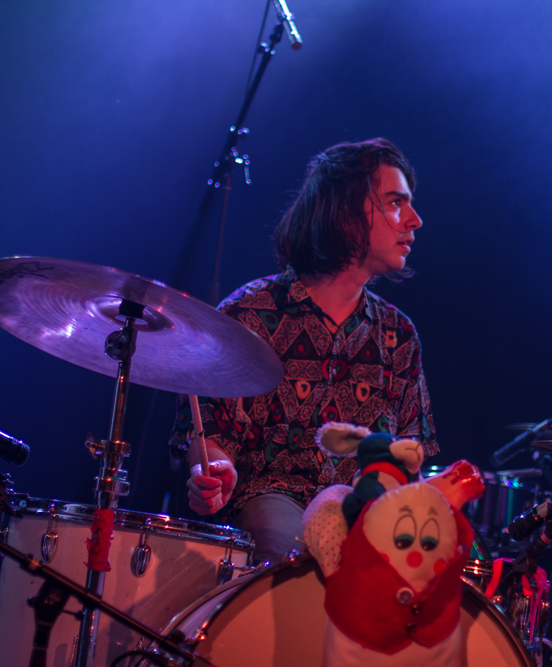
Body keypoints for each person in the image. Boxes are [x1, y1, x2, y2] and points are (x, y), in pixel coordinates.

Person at [169, 138, 438, 563]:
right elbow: (210, 433)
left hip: (363, 513)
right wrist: (214, 472)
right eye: (394, 203)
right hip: (269, 502)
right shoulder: (248, 314)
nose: (415, 220)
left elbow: (409, 458)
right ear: (346, 211)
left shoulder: (398, 335)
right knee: (290, 553)